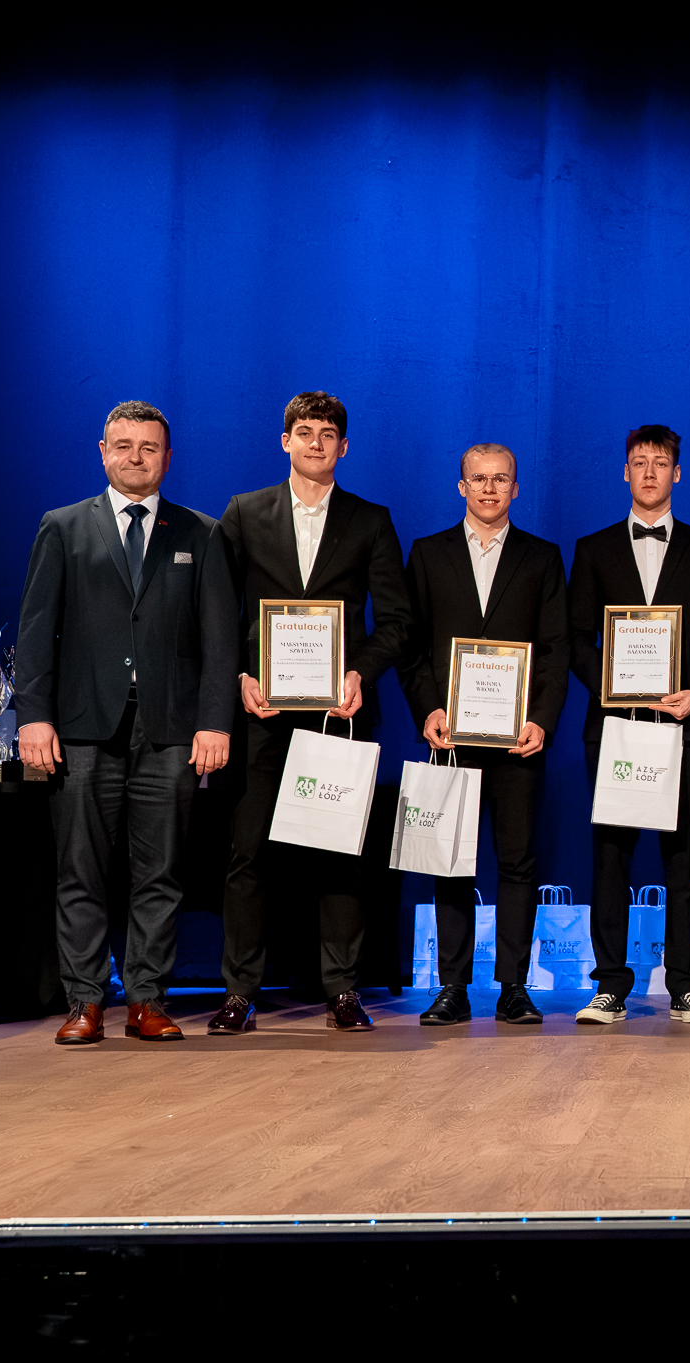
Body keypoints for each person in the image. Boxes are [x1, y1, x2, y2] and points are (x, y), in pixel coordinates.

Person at [16, 401, 237, 1044]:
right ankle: (84, 1001)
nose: (136, 457)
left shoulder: (202, 532)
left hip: (171, 729)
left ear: (167, 457)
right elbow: (36, 633)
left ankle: (146, 999)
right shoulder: (63, 527)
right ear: (103, 451)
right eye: (124, 445)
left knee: (160, 873)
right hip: (83, 727)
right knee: (80, 870)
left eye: (149, 447)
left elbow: (220, 640)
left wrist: (215, 721)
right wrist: (34, 717)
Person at [210, 391, 413, 1036]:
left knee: (340, 855)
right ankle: (238, 992)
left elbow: (398, 621)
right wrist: (240, 677)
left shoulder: (370, 520)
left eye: (328, 433)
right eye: (304, 432)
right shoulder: (243, 513)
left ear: (343, 447)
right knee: (248, 854)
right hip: (261, 712)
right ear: (285, 441)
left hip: (339, 713)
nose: (316, 442)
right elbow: (218, 611)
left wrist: (360, 674)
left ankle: (342, 990)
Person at [400, 442, 570, 1026]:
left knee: (518, 862)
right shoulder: (428, 554)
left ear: (516, 488)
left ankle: (514, 987)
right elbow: (411, 646)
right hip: (450, 738)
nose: (490, 489)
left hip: (517, 740)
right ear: (462, 486)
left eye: (501, 479)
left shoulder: (542, 557)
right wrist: (428, 708)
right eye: (479, 479)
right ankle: (452, 987)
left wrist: (541, 718)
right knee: (450, 861)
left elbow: (556, 648)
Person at [566, 425, 690, 1025]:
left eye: (661, 463)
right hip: (615, 728)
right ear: (625, 472)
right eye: (640, 462)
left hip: (685, 726)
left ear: (677, 473)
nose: (651, 472)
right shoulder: (593, 549)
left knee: (684, 859)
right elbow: (576, 637)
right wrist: (610, 688)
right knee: (610, 859)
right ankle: (610, 984)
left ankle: (686, 984)